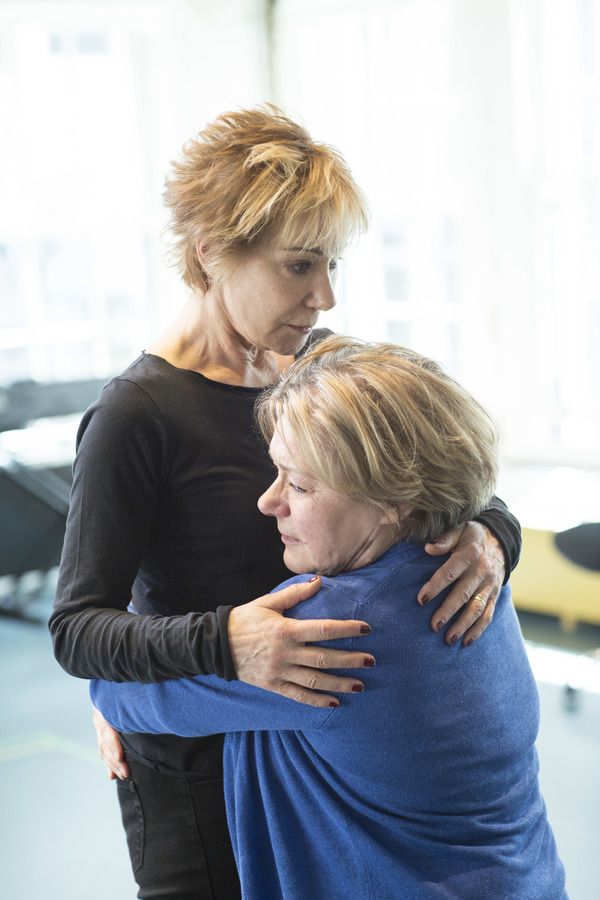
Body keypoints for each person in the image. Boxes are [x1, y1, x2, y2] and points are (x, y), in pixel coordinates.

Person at [50, 107, 521, 899]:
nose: (326, 296)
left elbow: (434, 471)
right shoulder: (137, 417)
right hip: (194, 773)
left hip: (315, 757)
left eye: (332, 265)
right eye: (300, 267)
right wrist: (219, 646)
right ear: (211, 254)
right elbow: (78, 631)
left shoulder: (318, 367)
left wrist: (491, 532)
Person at [91, 336, 566, 900]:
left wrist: (104, 677)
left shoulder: (334, 627)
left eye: (299, 484)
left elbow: (126, 695)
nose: (269, 502)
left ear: (393, 498)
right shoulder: (473, 567)